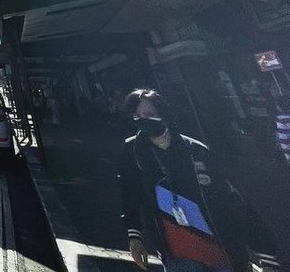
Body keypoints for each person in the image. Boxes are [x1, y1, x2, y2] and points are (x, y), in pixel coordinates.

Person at [119, 88, 282, 272]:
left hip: (218, 245)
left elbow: (233, 200)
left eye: (149, 113)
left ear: (163, 113)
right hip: (176, 251)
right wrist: (135, 236)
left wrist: (264, 251)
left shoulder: (195, 150)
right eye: (137, 115)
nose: (143, 119)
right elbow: (130, 195)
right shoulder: (132, 152)